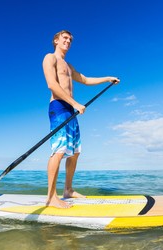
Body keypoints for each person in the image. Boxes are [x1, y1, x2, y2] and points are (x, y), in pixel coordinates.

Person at [42, 30, 119, 208]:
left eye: (70, 39)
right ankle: (51, 197)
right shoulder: (50, 58)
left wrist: (107, 78)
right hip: (59, 107)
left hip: (70, 109)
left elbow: (84, 79)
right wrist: (75, 103)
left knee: (75, 152)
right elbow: (51, 84)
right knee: (59, 151)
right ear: (56, 40)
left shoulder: (68, 66)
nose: (68, 41)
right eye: (64, 38)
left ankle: (68, 190)